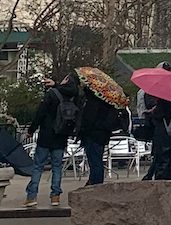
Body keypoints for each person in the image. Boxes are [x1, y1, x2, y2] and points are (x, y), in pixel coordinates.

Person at [26, 74, 81, 207]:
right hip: (61, 136)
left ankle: (31, 196)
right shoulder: (76, 97)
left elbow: (41, 113)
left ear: (66, 80)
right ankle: (55, 196)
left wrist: (31, 130)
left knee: (38, 166)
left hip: (46, 134)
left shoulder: (52, 94)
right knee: (57, 167)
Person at [77, 92, 127, 186]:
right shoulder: (110, 102)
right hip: (102, 135)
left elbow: (89, 118)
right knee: (97, 160)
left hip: (93, 134)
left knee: (94, 161)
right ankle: (95, 182)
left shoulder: (93, 101)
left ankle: (96, 183)